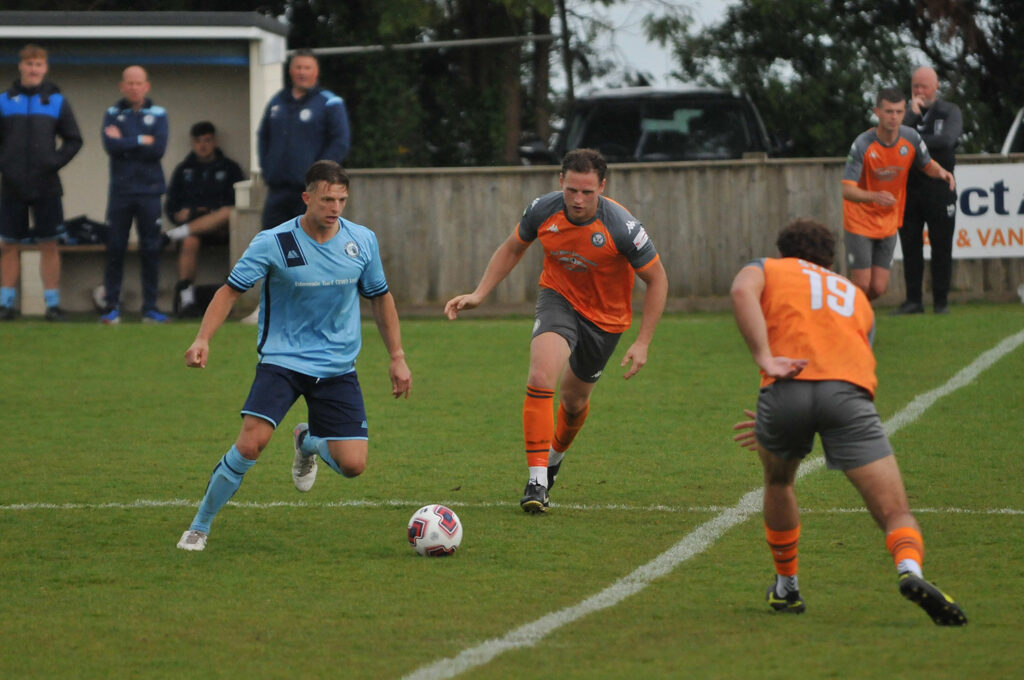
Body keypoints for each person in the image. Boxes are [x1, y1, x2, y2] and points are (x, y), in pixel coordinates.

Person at [729, 217, 967, 626]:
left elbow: (740, 290)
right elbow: (855, 356)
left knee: (780, 482)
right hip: (849, 396)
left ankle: (787, 587)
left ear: (784, 250)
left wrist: (766, 364)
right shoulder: (854, 295)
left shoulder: (767, 266)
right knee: (895, 512)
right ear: (830, 257)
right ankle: (910, 572)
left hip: (784, 390)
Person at [176, 160, 412, 552]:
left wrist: (397, 356)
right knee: (251, 444)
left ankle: (307, 442)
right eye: (326, 199)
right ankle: (199, 526)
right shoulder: (274, 242)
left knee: (353, 465)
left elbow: (381, 298)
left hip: (337, 367)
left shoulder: (362, 241)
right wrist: (203, 339)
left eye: (341, 199)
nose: (335, 207)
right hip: (282, 361)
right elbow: (230, 291)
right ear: (307, 198)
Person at [444, 148, 668, 513]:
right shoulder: (542, 210)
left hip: (606, 320)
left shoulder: (623, 227)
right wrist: (479, 294)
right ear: (560, 181)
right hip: (558, 300)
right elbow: (513, 247)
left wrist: (643, 342)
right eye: (572, 190)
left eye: (588, 192)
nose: (578, 200)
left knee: (574, 402)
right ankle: (536, 481)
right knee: (540, 375)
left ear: (602, 187)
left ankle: (553, 460)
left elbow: (657, 281)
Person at [841, 87, 955, 300]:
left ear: (904, 113)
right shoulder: (862, 144)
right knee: (862, 283)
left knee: (878, 288)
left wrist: (941, 172)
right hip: (860, 220)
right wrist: (874, 196)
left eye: (899, 112)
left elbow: (927, 164)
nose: (894, 117)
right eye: (888, 111)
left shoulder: (911, 138)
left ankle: (849, 308)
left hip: (888, 220)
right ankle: (850, 320)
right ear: (877, 112)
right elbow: (847, 190)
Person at [0, 43, 83, 321]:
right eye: (29, 64)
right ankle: (5, 304)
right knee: (8, 245)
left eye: (39, 65)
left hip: (46, 185)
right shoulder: (4, 100)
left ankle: (52, 305)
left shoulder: (56, 101)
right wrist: (5, 166)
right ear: (21, 66)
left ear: (45, 68)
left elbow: (74, 140)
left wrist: (53, 162)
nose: (34, 69)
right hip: (11, 185)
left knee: (49, 244)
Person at [99, 65, 169, 324]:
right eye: (129, 83)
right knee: (115, 247)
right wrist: (141, 140)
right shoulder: (112, 113)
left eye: (138, 83)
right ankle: (111, 308)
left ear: (146, 86)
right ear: (122, 86)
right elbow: (111, 146)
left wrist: (127, 141)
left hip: (150, 192)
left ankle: (150, 308)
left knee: (150, 249)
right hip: (121, 193)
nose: (134, 87)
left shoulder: (159, 114)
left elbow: (158, 149)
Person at [894, 67, 963, 315]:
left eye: (924, 86)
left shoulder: (950, 111)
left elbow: (947, 141)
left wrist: (915, 143)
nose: (920, 92)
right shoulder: (905, 114)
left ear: (936, 87)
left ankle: (941, 302)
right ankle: (913, 301)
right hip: (909, 189)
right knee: (910, 246)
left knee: (941, 246)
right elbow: (894, 140)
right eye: (915, 86)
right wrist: (911, 118)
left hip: (940, 189)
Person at [257, 48, 350, 231]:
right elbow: (263, 136)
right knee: (272, 243)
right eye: (298, 67)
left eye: (307, 68)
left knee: (309, 243)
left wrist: (319, 177)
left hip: (309, 191)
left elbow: (340, 142)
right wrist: (268, 169)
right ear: (291, 71)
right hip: (277, 189)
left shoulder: (329, 102)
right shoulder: (277, 101)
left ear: (316, 72)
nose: (302, 72)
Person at [164, 121, 245, 317]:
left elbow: (237, 203)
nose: (203, 145)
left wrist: (210, 211)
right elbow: (171, 206)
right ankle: (187, 297)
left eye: (207, 140)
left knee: (227, 211)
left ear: (215, 141)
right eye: (198, 141)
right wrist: (181, 213)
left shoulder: (230, 168)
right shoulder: (184, 170)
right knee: (190, 240)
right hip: (194, 227)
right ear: (192, 143)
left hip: (222, 229)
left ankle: (173, 235)